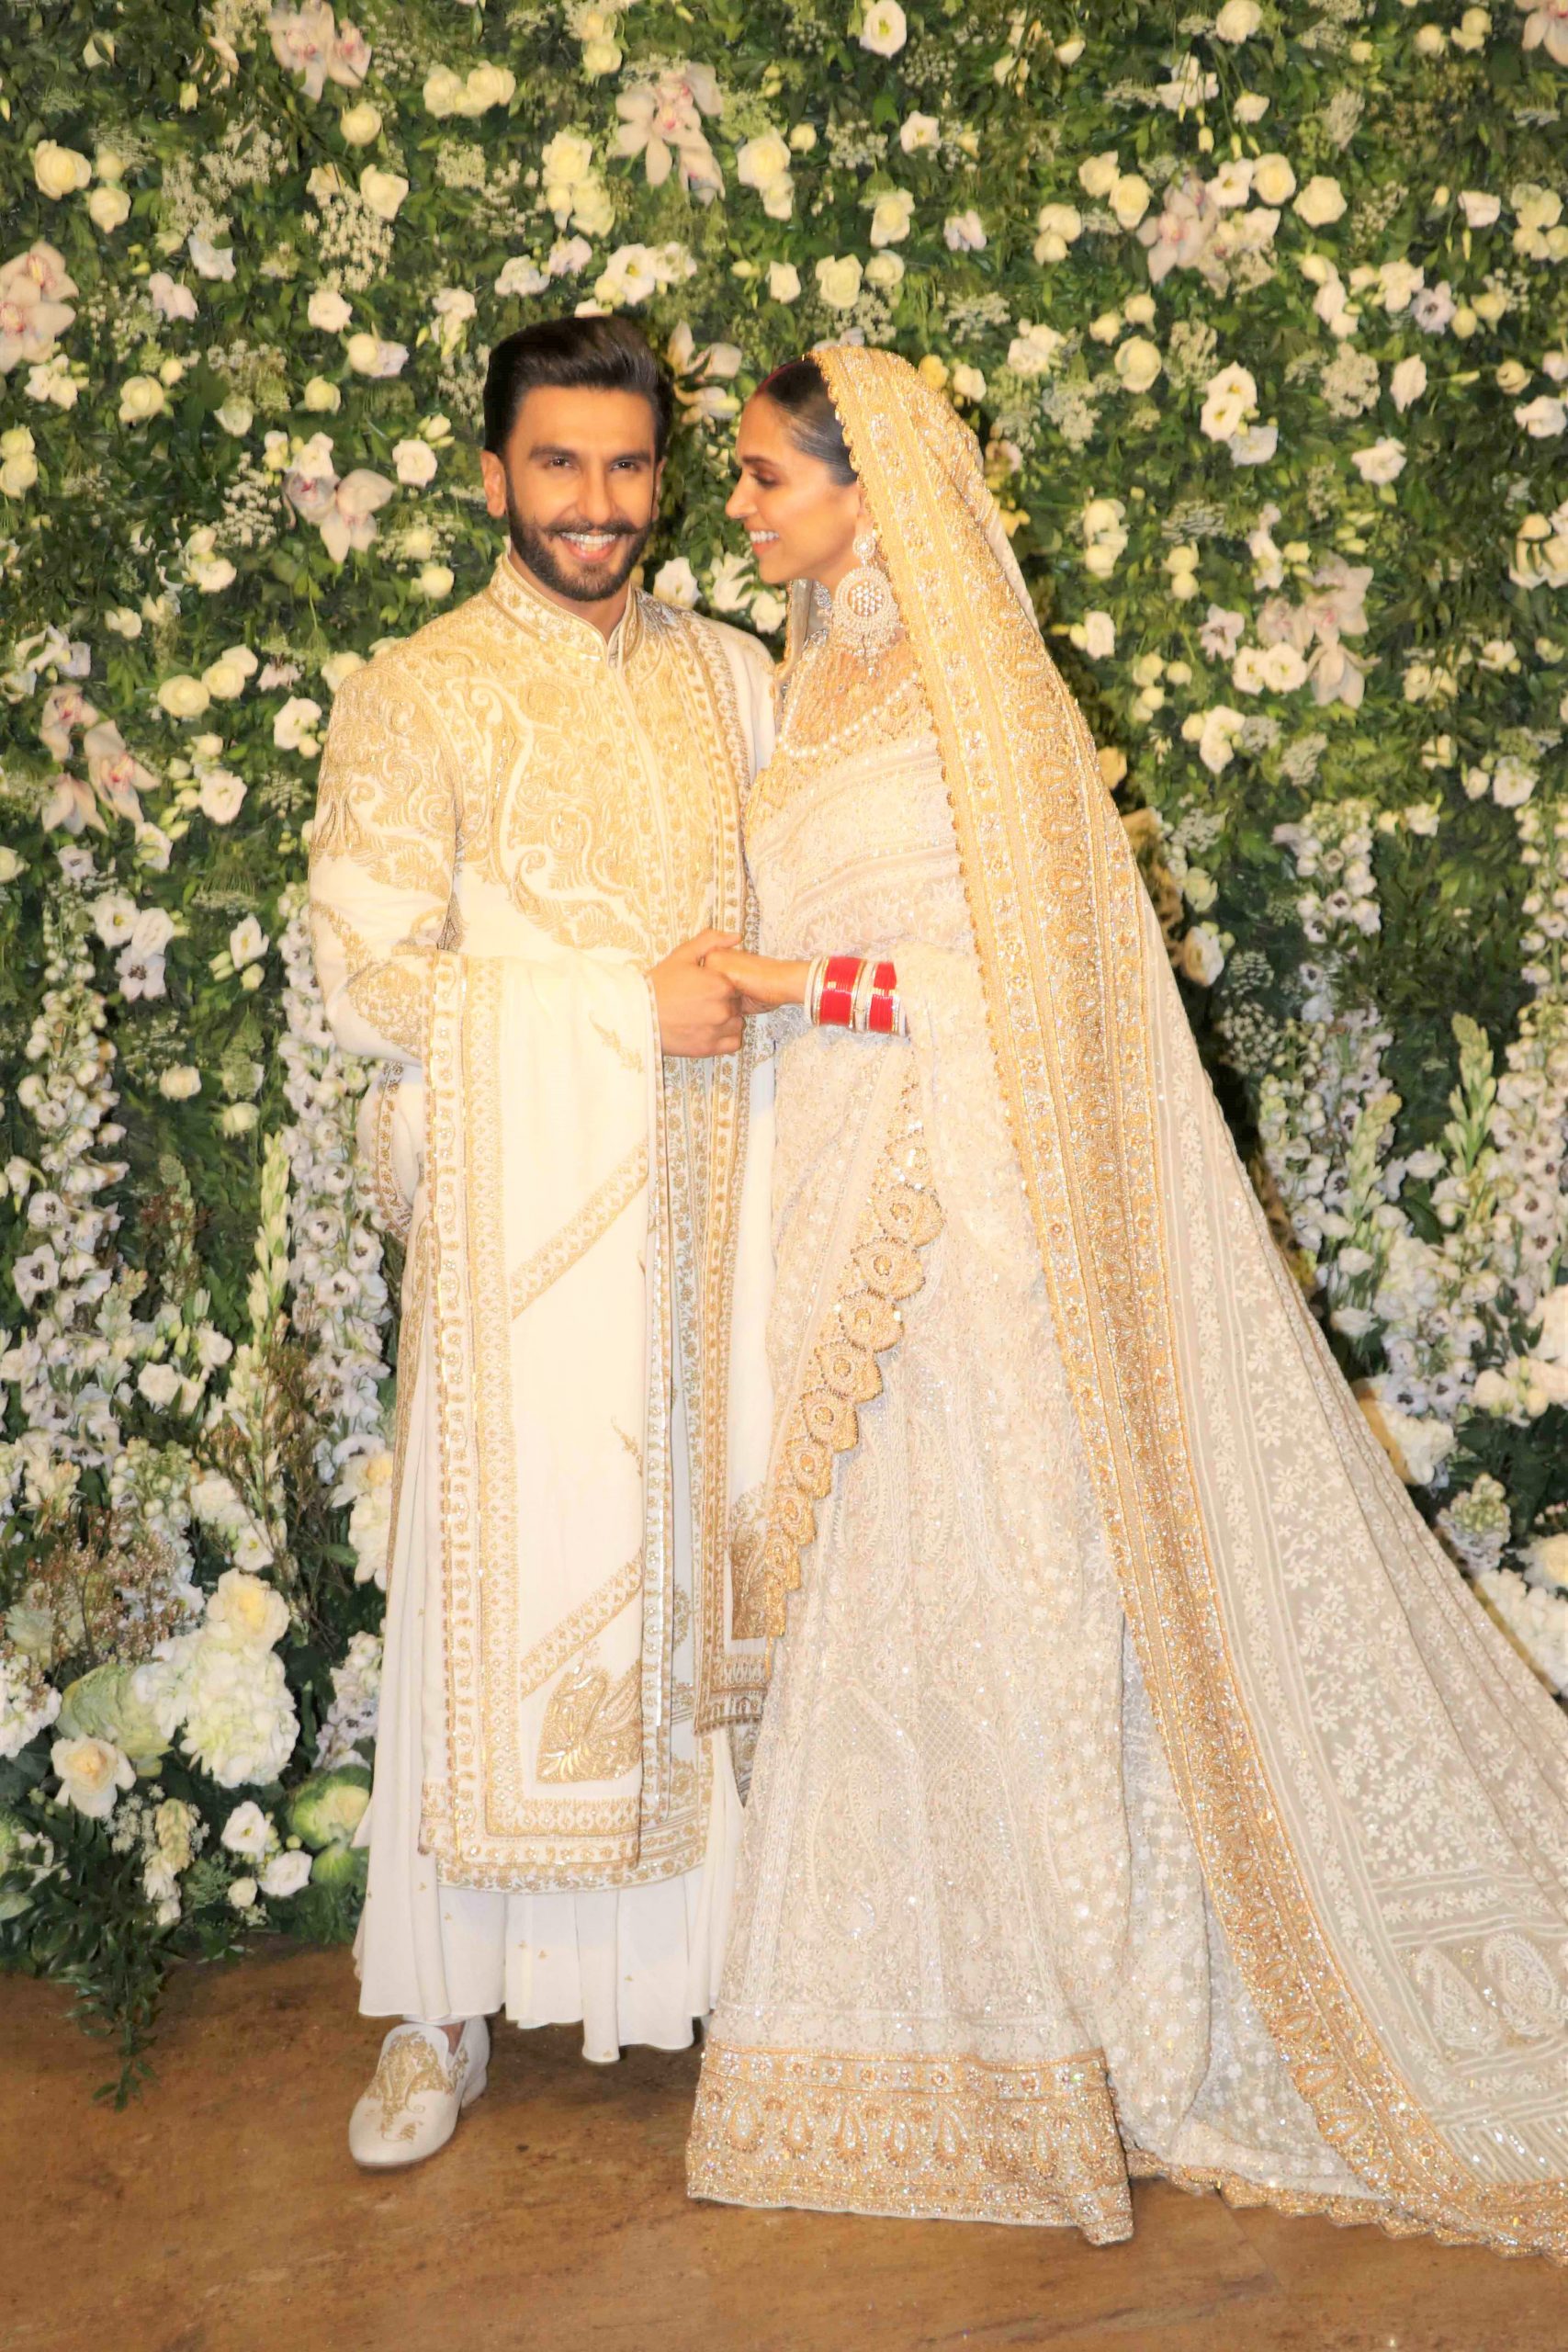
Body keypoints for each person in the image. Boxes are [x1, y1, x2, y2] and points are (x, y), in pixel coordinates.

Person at [684, 345, 1568, 2260]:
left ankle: (1095, 2016)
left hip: (969, 1212)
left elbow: (1000, 989)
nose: (738, 510)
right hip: (835, 1186)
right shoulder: (811, 687)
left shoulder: (977, 708)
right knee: (887, 1591)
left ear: (868, 489)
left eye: (765, 478)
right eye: (741, 480)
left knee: (1022, 1585)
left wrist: (774, 983)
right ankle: (928, 2023)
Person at [309, 315, 776, 2169]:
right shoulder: (411, 691)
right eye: (560, 464)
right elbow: (363, 974)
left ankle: (715, 1977)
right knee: (485, 1591)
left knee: (713, 1577)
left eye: (629, 465)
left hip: (719, 1211)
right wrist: (612, 1012)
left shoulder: (737, 678)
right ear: (492, 471)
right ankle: (432, 2004)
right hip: (524, 1239)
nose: (598, 504)